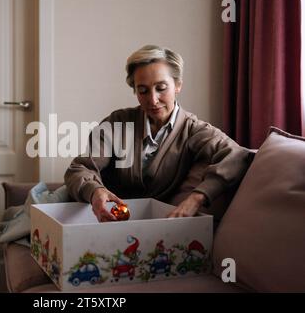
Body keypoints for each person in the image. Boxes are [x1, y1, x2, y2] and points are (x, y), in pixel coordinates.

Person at [64, 45, 251, 222]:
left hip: (157, 227)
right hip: (107, 220)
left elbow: (237, 155)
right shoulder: (118, 122)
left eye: (161, 88)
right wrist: (95, 191)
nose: (153, 100)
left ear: (178, 85)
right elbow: (79, 169)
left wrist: (197, 198)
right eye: (143, 90)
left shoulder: (194, 130)